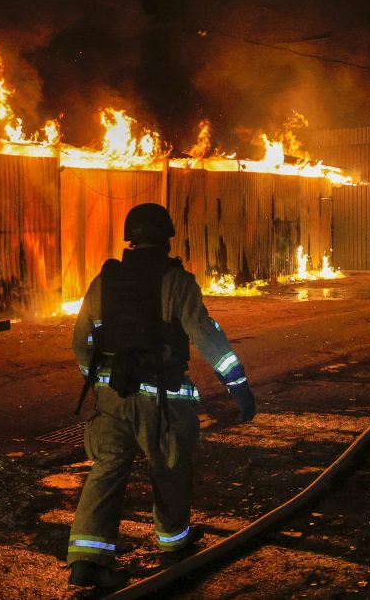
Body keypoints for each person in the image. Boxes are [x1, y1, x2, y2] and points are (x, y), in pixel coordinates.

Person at [66, 202, 256, 590]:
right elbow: (206, 335)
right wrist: (238, 385)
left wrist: (99, 382)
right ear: (167, 239)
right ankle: (173, 544)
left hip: (111, 398)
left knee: (105, 472)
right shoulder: (177, 281)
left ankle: (87, 560)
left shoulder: (104, 281)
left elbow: (81, 342)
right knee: (169, 469)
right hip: (162, 400)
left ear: (130, 240)